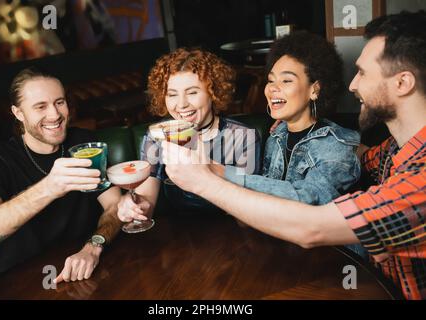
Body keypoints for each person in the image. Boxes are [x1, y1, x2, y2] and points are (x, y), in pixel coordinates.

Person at [161, 11, 426, 300]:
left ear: (402, 83)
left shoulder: (420, 179)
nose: (353, 85)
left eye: (362, 73)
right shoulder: (394, 151)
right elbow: (360, 159)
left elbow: (312, 225)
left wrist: (208, 177)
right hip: (305, 269)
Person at [0, 68, 123, 283]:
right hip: (23, 282)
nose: (55, 115)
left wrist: (93, 247)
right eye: (40, 106)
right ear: (18, 113)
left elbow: (115, 205)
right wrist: (49, 188)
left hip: (87, 270)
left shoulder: (83, 144)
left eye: (59, 102)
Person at [117, 48, 261, 222]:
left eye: (192, 92)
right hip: (180, 235)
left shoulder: (243, 137)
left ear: (213, 92)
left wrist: (207, 172)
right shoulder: (157, 137)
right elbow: (146, 202)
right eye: (172, 94)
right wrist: (134, 206)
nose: (181, 104)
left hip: (233, 232)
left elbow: (247, 216)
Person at [220, 31, 361, 205]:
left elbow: (310, 198)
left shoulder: (334, 145)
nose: (272, 88)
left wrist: (223, 174)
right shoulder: (277, 136)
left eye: (286, 81)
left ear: (314, 90)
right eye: (271, 80)